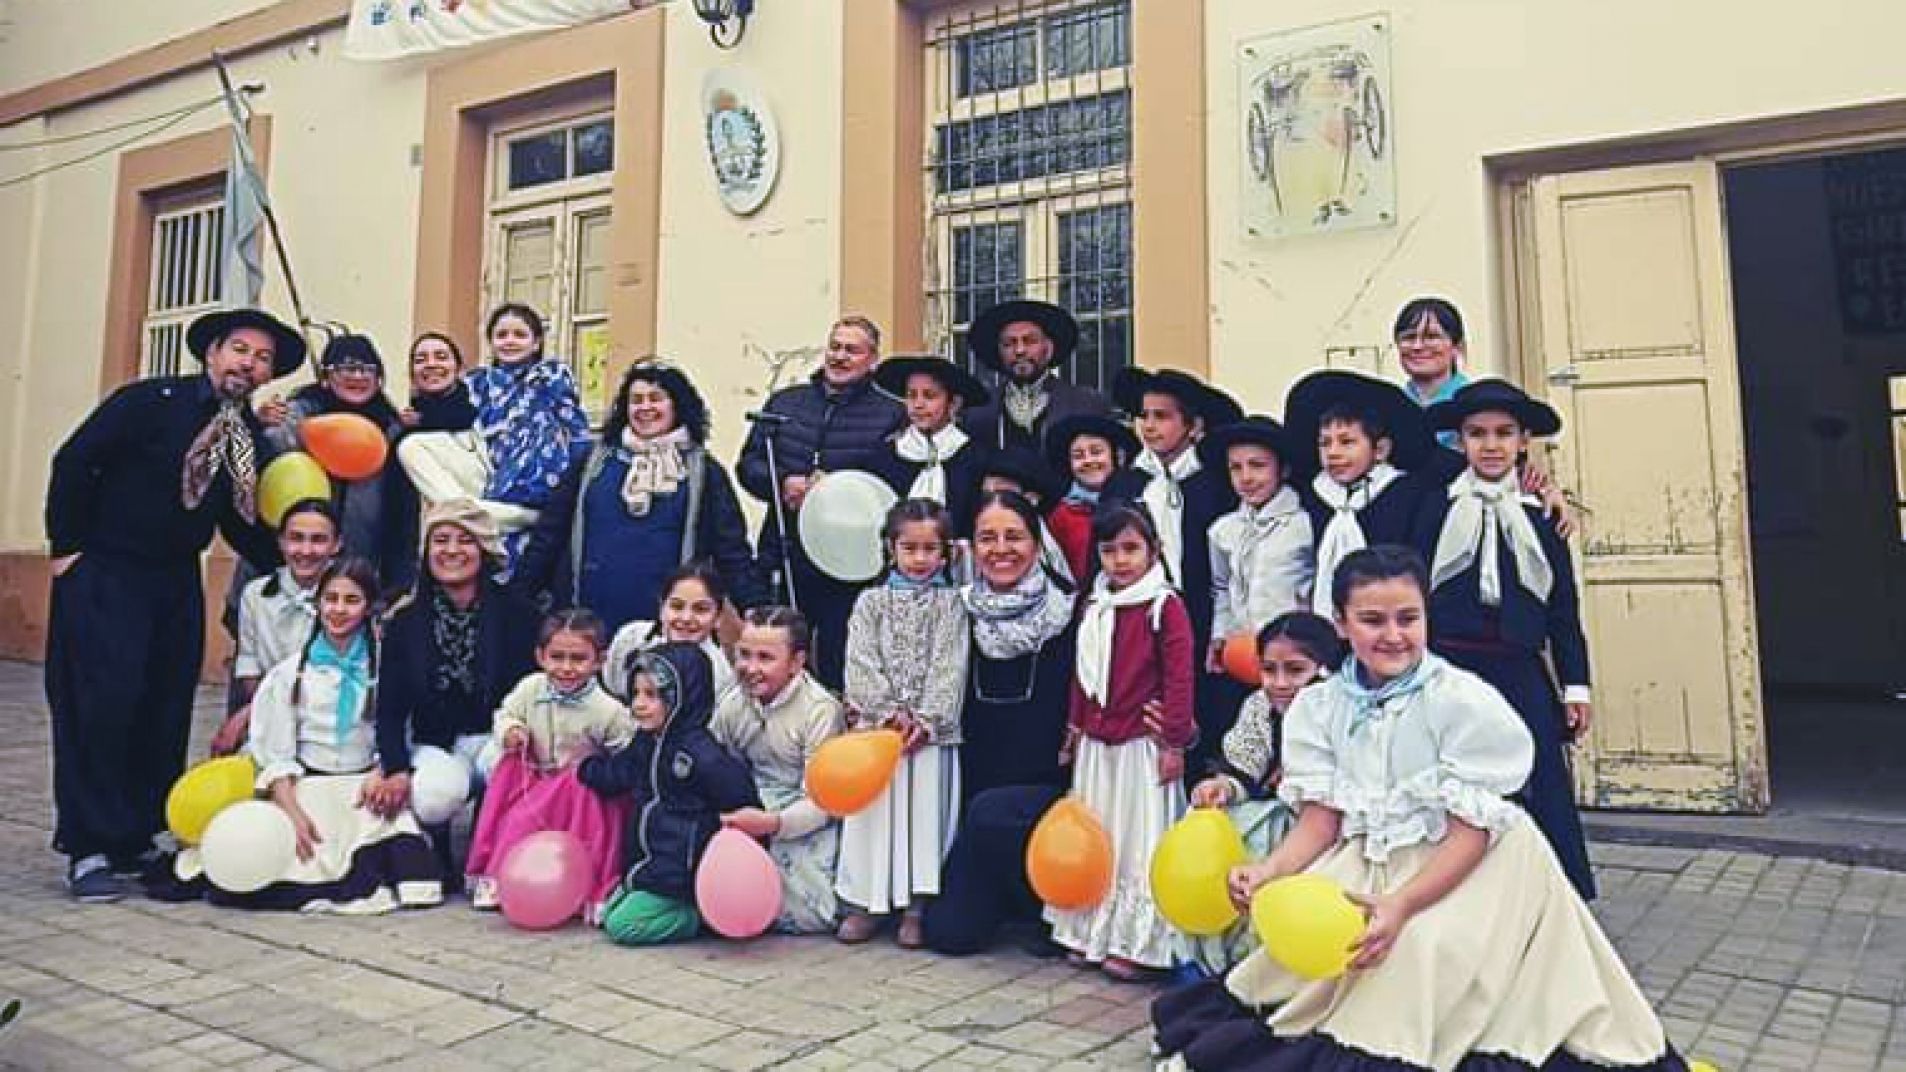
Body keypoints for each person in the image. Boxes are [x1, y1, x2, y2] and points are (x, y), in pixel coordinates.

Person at [1152, 547, 1685, 1072]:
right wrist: (1268, 871)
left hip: (1479, 867)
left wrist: (1403, 906)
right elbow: (1321, 820)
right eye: (1371, 619)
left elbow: (1471, 835)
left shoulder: (1461, 701)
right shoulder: (1319, 707)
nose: (1393, 635)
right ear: (1340, 623)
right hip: (1372, 858)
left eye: (1408, 618)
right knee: (1302, 970)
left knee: (1420, 952)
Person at [44, 305, 300, 901]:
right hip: (108, 572)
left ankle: (135, 834)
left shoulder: (245, 438)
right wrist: (67, 548)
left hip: (173, 580)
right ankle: (88, 847)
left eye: (262, 358)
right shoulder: (147, 401)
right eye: (240, 349)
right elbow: (75, 462)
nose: (250, 363)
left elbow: (238, 522)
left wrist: (296, 564)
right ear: (211, 352)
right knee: (100, 706)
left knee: (161, 705)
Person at [1418, 379, 1597, 900]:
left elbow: (1563, 609)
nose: (1490, 445)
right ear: (1460, 442)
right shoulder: (1436, 508)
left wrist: (1576, 686)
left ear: (1523, 442)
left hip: (1520, 670)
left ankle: (1553, 895)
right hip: (1452, 668)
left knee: (1538, 777)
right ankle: (1458, 890)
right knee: (1456, 781)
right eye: (1476, 434)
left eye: (1504, 433)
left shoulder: (1543, 519)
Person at [192, 557, 442, 913]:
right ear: (317, 604)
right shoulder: (289, 674)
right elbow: (275, 751)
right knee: (296, 863)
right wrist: (290, 811)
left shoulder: (387, 667)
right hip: (306, 786)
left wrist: (382, 769)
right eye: (331, 599)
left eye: (352, 600)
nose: (339, 610)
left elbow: (397, 728)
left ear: (369, 607)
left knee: (416, 881)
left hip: (362, 786)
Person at [1051, 502, 1194, 981]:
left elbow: (1179, 678)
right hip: (1097, 741)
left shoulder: (1163, 605)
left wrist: (1174, 740)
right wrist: (1073, 728)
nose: (1121, 561)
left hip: (1141, 744)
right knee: (1098, 833)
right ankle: (1088, 929)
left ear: (1153, 550)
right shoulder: (1093, 606)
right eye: (1109, 551)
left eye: (1132, 549)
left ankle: (1139, 942)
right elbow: (1080, 675)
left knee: (1139, 838)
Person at [514, 360, 763, 634]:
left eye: (656, 399)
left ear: (677, 406)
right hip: (589, 624)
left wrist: (755, 605)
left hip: (667, 626)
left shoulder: (703, 471)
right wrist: (518, 595)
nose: (645, 408)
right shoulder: (591, 462)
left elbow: (731, 550)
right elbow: (549, 535)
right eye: (636, 400)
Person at [364, 500, 540, 876]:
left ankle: (489, 848)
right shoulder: (405, 622)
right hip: (436, 744)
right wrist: (394, 766)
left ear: (484, 550)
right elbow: (390, 709)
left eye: (465, 540)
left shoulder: (519, 614)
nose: (451, 551)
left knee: (512, 770)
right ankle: (434, 846)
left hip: (497, 735)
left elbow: (532, 691)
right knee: (433, 796)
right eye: (440, 540)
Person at [736, 316, 905, 688]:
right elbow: (747, 465)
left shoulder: (891, 413)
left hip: (850, 565)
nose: (840, 357)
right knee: (775, 657)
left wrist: (837, 489)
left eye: (852, 350)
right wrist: (781, 483)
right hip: (786, 551)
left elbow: (893, 484)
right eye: (835, 347)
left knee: (840, 661)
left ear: (872, 360)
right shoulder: (786, 403)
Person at [835, 501, 971, 948]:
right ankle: (869, 902)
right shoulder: (870, 602)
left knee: (923, 819)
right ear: (890, 549)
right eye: (909, 547)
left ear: (946, 553)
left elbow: (950, 666)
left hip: (926, 740)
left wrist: (926, 719)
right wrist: (885, 712)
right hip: (879, 735)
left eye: (930, 548)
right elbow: (860, 660)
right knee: (875, 815)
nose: (919, 558)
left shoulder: (951, 605)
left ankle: (916, 905)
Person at [1182, 611, 1342, 976]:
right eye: (1270, 670)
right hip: (1271, 814)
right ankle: (1221, 962)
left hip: (1323, 827)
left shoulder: (1337, 711)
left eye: (1295, 670)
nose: (1280, 683)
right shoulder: (1258, 707)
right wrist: (1221, 788)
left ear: (1323, 668)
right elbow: (1245, 771)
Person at [579, 643, 761, 945]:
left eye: (652, 695)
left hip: (680, 875)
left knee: (622, 926)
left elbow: (742, 806)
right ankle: (658, 902)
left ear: (682, 697)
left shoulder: (704, 756)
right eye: (635, 693)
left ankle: (700, 917)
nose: (639, 704)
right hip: (647, 865)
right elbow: (620, 773)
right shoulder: (646, 742)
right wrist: (585, 768)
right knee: (607, 912)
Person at [464, 609, 636, 918]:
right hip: (537, 782)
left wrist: (602, 771)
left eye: (579, 659)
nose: (566, 668)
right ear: (540, 656)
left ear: (599, 661)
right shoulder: (531, 688)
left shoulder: (608, 710)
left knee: (586, 829)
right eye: (557, 657)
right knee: (518, 820)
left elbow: (626, 753)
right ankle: (502, 879)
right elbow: (506, 714)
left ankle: (585, 888)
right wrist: (511, 731)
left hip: (582, 793)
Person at [708, 607, 849, 934]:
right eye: (744, 655)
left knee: (809, 914)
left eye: (765, 658)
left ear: (797, 662)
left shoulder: (821, 711)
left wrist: (773, 824)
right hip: (749, 801)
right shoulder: (732, 702)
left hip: (803, 811)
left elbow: (824, 799)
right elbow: (717, 762)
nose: (751, 668)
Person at [1283, 369, 1443, 618]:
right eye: (1325, 443)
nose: (1333, 452)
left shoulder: (1408, 495)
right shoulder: (1311, 496)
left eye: (1347, 442)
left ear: (1380, 450)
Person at [1199, 415, 1316, 749]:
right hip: (1243, 653)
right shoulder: (1222, 530)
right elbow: (1221, 587)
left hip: (1294, 655)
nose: (1246, 477)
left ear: (1283, 469)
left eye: (1258, 466)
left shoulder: (1304, 526)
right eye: (1236, 468)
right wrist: (1220, 635)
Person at [267, 333, 417, 591]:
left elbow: (403, 512)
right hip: (292, 566)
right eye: (346, 367)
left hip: (358, 575)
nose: (357, 376)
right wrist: (263, 422)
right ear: (326, 376)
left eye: (367, 369)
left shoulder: (389, 428)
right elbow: (273, 450)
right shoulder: (299, 415)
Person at [208, 499, 342, 756]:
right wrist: (260, 713)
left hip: (327, 720)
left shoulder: (345, 597)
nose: (305, 550)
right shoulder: (255, 594)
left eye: (318, 540)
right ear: (280, 542)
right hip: (270, 712)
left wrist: (246, 715)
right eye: (295, 538)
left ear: (337, 544)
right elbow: (249, 665)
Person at [464, 303, 593, 568]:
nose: (510, 341)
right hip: (488, 485)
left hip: (544, 493)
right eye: (502, 335)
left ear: (536, 343)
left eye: (519, 335)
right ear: (490, 342)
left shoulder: (552, 376)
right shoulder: (476, 384)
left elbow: (576, 429)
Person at [959, 299, 1113, 452]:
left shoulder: (1085, 404)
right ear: (999, 352)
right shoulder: (977, 411)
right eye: (1009, 343)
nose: (1019, 350)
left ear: (1049, 348)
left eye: (1030, 341)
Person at [867, 355, 992, 535]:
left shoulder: (975, 457)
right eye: (911, 396)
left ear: (954, 404)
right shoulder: (886, 456)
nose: (918, 404)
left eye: (929, 396)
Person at [601, 561, 740, 706]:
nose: (686, 618)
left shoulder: (721, 674)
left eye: (700, 609)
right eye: (677, 606)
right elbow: (610, 692)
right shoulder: (631, 638)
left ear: (717, 617)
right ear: (661, 608)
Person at [395, 331, 486, 510]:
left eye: (441, 357)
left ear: (459, 368)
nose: (431, 364)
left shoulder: (483, 420)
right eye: (420, 359)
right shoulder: (403, 432)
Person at [1044, 413, 1139, 583]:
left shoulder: (1140, 504)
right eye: (1078, 456)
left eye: (1096, 452)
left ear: (1117, 456)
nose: (1088, 461)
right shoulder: (1061, 516)